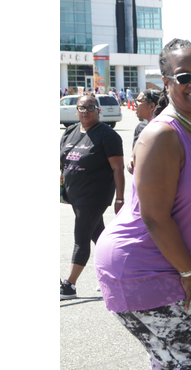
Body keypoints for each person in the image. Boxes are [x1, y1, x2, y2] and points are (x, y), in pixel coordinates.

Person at [94, 39, 191, 369]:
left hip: (182, 266)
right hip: (142, 266)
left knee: (171, 360)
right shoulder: (163, 135)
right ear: (167, 84)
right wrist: (189, 273)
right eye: (184, 77)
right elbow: (155, 217)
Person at [60, 94, 125, 300]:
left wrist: (120, 198)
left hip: (94, 196)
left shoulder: (107, 135)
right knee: (100, 236)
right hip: (75, 194)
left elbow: (118, 168)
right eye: (81, 107)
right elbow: (62, 163)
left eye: (90, 107)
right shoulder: (70, 131)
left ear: (98, 110)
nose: (85, 111)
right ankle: (119, 274)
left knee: (81, 238)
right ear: (76, 110)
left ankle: (69, 285)